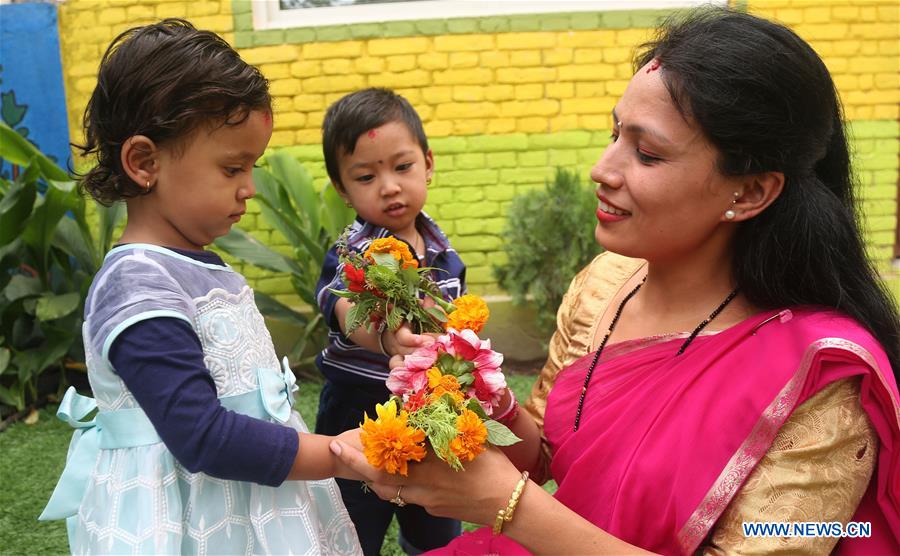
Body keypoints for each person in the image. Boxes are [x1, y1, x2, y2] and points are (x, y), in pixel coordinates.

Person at [330, 8, 900, 555]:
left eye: (647, 154)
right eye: (615, 134)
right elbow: (549, 459)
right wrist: (483, 393)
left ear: (750, 192)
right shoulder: (605, 285)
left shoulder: (821, 378)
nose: (602, 169)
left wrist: (510, 506)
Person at [38, 19, 363, 555]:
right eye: (233, 167)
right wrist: (334, 454)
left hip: (250, 504)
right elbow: (202, 436)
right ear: (145, 162)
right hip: (193, 522)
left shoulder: (192, 264)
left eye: (252, 166)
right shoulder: (138, 285)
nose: (250, 189)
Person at [314, 87, 466, 555]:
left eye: (403, 167)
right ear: (343, 188)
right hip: (358, 411)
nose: (390, 186)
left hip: (427, 415)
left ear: (428, 162)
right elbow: (341, 306)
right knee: (354, 526)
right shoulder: (355, 250)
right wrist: (383, 338)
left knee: (436, 521)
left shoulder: (444, 253)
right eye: (366, 175)